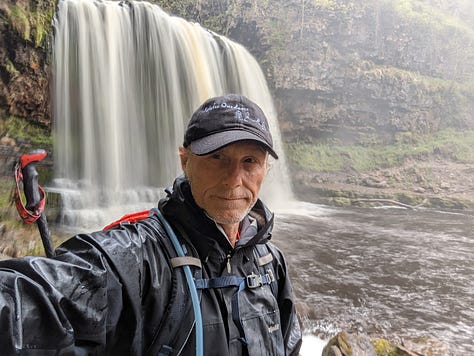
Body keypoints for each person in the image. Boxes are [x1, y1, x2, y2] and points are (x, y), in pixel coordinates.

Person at [0, 94, 302, 355]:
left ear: (266, 169)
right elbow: (36, 299)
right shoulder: (138, 258)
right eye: (217, 157)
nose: (234, 179)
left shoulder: (269, 264)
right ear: (185, 161)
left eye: (250, 161)